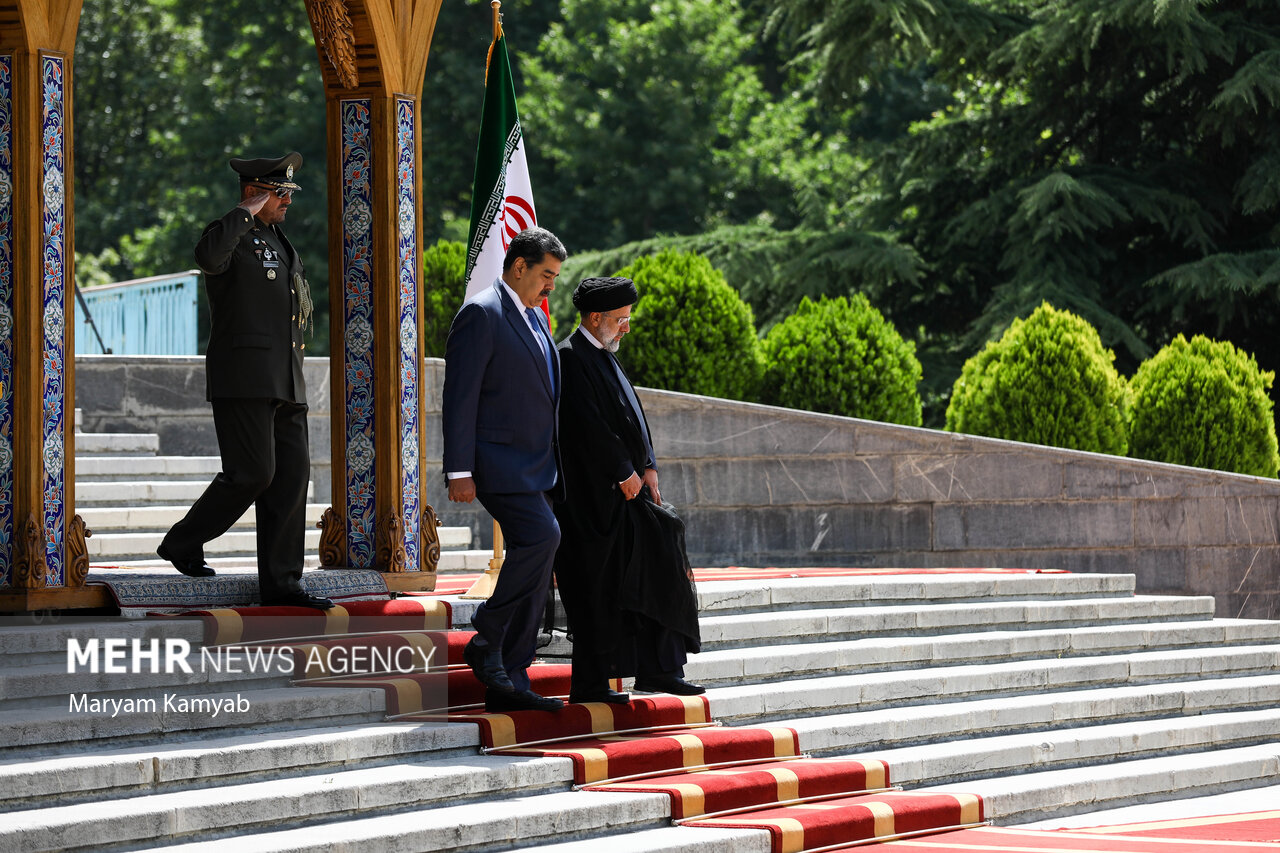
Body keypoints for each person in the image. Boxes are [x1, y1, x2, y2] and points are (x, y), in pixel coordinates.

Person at [157, 152, 330, 610]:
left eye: (288, 194)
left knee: (291, 479)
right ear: (255, 192)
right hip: (245, 377)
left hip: (286, 379)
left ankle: (283, 583)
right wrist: (245, 212)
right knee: (252, 473)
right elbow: (209, 259)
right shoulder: (229, 232)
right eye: (280, 194)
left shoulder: (278, 239)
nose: (287, 202)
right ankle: (182, 542)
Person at [553, 276, 702, 704]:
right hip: (595, 503)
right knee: (599, 590)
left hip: (630, 494)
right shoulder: (571, 357)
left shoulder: (604, 355)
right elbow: (586, 427)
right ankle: (591, 685)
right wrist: (623, 471)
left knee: (658, 566)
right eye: (620, 319)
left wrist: (648, 466)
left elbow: (631, 418)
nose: (626, 327)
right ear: (595, 317)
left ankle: (661, 669)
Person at [443, 227, 568, 713]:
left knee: (537, 568)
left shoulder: (537, 320)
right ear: (519, 266)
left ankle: (511, 679)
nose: (551, 286)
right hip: (496, 464)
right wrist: (459, 470)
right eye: (546, 275)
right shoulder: (481, 313)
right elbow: (461, 397)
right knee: (543, 538)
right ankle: (486, 637)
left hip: (538, 467)